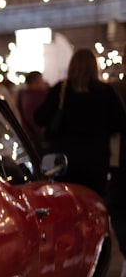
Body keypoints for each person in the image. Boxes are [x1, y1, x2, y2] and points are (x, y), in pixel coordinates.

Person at [34, 48, 126, 199]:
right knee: (94, 199)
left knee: (66, 198)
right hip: (96, 156)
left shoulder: (61, 89)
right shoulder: (106, 91)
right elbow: (120, 124)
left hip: (64, 157)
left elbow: (40, 118)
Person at [16, 71, 49, 151]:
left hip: (28, 133)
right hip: (39, 134)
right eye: (41, 80)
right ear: (36, 82)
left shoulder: (22, 95)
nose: (44, 83)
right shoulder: (38, 95)